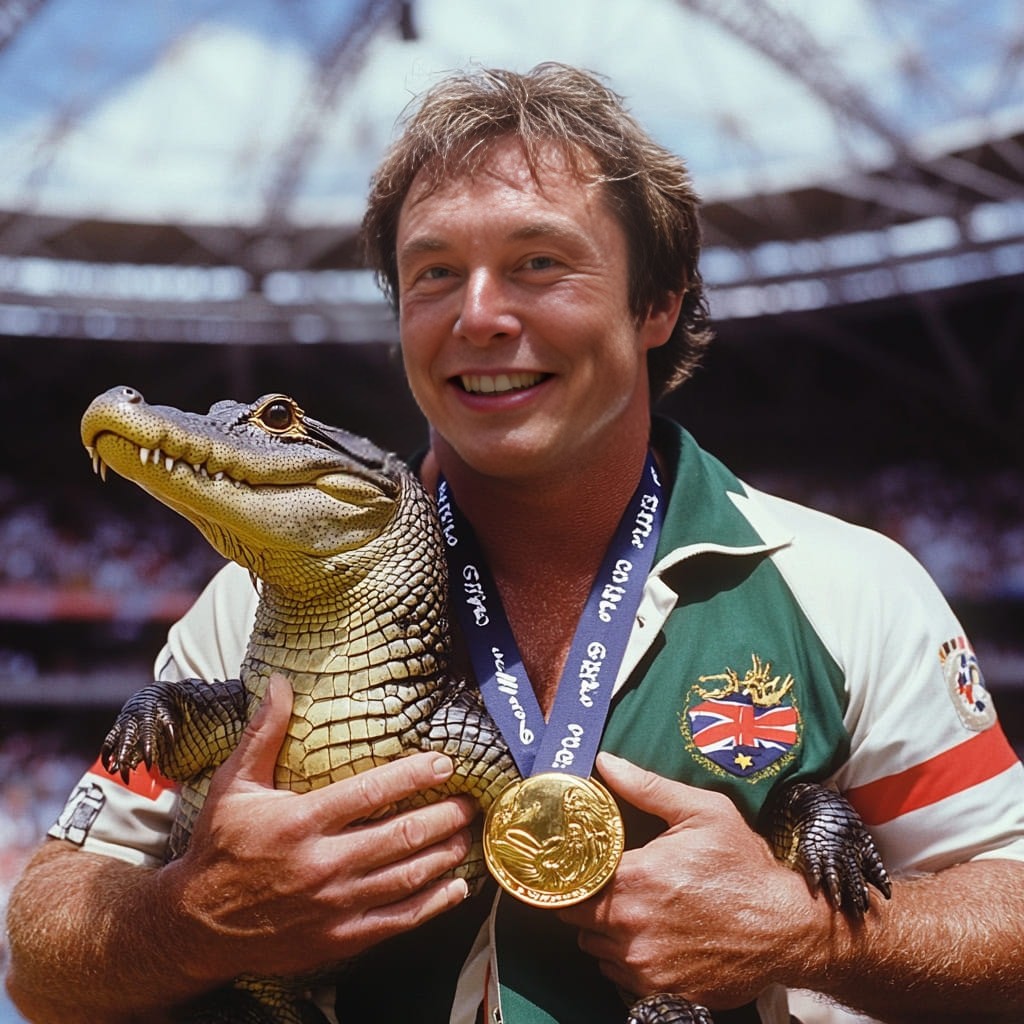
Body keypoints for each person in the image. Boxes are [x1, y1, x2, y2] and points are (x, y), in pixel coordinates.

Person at [5, 62, 1024, 1024]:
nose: (479, 316)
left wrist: (809, 937)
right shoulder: (244, 603)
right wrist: (191, 915)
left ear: (657, 302)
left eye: (538, 263)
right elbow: (40, 966)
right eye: (434, 272)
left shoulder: (850, 587)